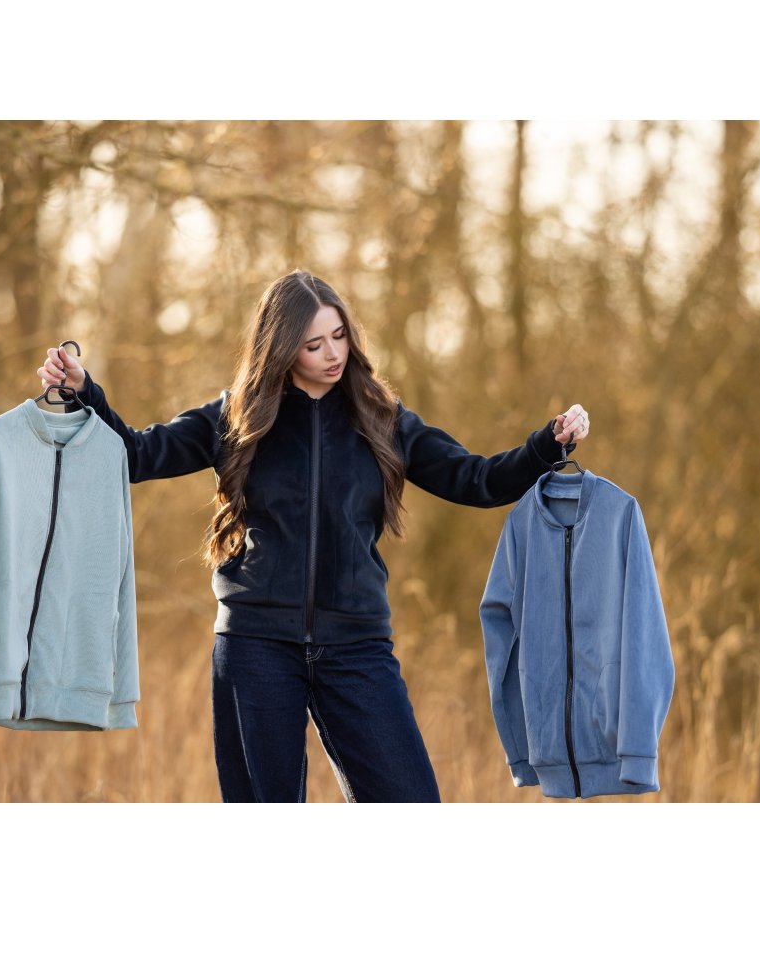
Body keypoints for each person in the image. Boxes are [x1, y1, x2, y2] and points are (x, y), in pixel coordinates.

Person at [36, 269, 590, 803]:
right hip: (255, 646)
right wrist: (85, 393)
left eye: (340, 335)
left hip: (357, 647)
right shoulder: (235, 418)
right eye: (313, 344)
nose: (333, 354)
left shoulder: (384, 419)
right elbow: (136, 455)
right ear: (281, 349)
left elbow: (477, 480)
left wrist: (548, 445)